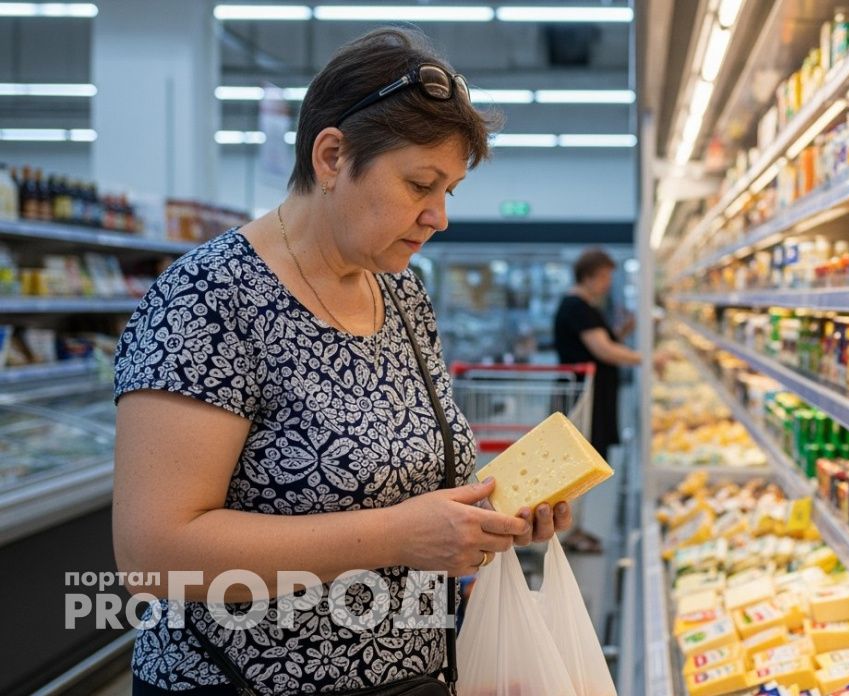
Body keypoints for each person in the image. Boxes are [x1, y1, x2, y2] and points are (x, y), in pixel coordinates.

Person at [112, 28, 571, 695]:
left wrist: (494, 514)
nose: (438, 216)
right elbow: (152, 555)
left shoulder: (400, 289)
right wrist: (397, 536)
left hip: (415, 674)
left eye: (450, 191)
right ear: (333, 156)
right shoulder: (210, 297)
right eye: (420, 184)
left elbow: (405, 484)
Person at [551, 249, 640, 552]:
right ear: (588, 276)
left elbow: (602, 342)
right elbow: (603, 350)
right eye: (604, 277)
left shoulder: (587, 306)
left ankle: (574, 529)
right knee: (576, 465)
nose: (607, 283)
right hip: (581, 398)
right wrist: (647, 359)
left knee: (583, 465)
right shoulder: (576, 306)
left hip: (591, 395)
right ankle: (565, 531)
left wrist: (623, 332)